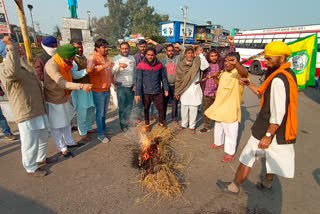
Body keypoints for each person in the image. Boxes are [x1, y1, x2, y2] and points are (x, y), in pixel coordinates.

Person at [216, 41, 298, 194]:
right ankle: (268, 181)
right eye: (265, 58)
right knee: (274, 155)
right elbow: (264, 93)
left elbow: (278, 111)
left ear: (281, 58)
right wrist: (249, 84)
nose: (265, 62)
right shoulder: (288, 73)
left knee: (247, 156)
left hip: (268, 126)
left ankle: (233, 186)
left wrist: (268, 134)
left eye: (269, 59)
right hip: (282, 127)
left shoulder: (279, 80)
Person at [0, 36, 57, 177]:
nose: (19, 49)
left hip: (38, 108)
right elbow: (12, 72)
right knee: (29, 141)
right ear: (7, 52)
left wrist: (19, 55)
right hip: (26, 111)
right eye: (15, 48)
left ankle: (41, 158)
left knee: (43, 136)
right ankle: (31, 167)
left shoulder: (22, 65)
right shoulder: (5, 69)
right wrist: (10, 48)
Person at [44, 44, 92, 158]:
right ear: (64, 56)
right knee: (57, 125)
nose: (72, 60)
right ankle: (63, 148)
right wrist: (81, 86)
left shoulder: (65, 63)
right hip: (54, 98)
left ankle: (70, 142)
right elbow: (62, 83)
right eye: (70, 58)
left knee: (67, 121)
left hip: (65, 96)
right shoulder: (52, 65)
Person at [205, 52, 248, 162]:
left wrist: (237, 64)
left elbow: (245, 74)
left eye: (231, 61)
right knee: (218, 125)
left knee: (230, 131)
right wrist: (215, 78)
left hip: (231, 107)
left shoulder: (237, 73)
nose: (227, 63)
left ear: (236, 62)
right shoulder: (224, 73)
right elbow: (221, 85)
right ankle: (218, 143)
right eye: (226, 61)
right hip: (219, 105)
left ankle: (230, 152)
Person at [200, 36, 236, 133]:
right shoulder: (205, 65)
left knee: (218, 111)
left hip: (218, 92)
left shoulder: (221, 64)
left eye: (215, 55)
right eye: (211, 56)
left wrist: (232, 44)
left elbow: (231, 55)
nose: (214, 57)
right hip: (207, 92)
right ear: (209, 57)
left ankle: (218, 127)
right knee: (206, 110)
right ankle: (207, 126)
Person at [175, 46, 209, 134]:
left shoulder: (197, 61)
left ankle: (192, 126)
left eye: (192, 53)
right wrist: (177, 91)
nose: (190, 55)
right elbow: (178, 79)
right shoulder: (182, 64)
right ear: (185, 54)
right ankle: (184, 124)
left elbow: (205, 66)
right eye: (188, 53)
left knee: (194, 109)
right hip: (184, 89)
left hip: (195, 89)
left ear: (194, 54)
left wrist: (200, 55)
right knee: (184, 108)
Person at [87, 38, 114, 143]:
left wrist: (113, 82)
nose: (106, 49)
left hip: (107, 89)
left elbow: (109, 72)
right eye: (104, 47)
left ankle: (104, 127)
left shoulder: (105, 57)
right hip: (98, 90)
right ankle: (100, 134)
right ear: (97, 48)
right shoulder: (92, 57)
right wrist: (103, 66)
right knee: (100, 113)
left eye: (107, 47)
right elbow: (89, 71)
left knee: (104, 111)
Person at [135, 47, 169, 132]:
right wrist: (137, 93)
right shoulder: (141, 65)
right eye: (148, 55)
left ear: (155, 55)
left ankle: (161, 122)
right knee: (146, 109)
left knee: (161, 108)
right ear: (145, 55)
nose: (150, 57)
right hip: (146, 91)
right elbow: (139, 80)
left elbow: (163, 78)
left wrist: (166, 89)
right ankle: (147, 124)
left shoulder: (160, 65)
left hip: (158, 91)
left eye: (152, 55)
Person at [70, 39, 96, 142]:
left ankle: (88, 127)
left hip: (88, 87)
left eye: (81, 47)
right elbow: (74, 75)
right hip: (80, 88)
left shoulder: (83, 58)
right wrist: (86, 71)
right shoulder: (73, 60)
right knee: (83, 110)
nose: (80, 49)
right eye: (77, 47)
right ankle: (82, 132)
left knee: (90, 108)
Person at [112, 42, 136, 132]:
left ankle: (128, 121)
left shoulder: (132, 58)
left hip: (131, 87)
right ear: (120, 49)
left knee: (129, 106)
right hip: (122, 87)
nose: (125, 50)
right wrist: (119, 66)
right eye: (123, 48)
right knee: (122, 107)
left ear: (129, 49)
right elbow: (112, 72)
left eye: (126, 48)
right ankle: (123, 125)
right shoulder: (116, 59)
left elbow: (134, 72)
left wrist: (135, 83)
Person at [161, 44, 181, 125]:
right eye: (169, 51)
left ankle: (174, 118)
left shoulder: (177, 58)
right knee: (164, 103)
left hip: (175, 85)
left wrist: (179, 46)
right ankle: (163, 119)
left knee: (175, 102)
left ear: (174, 51)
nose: (170, 52)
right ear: (166, 51)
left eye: (172, 50)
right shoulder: (163, 61)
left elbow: (186, 51)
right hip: (165, 86)